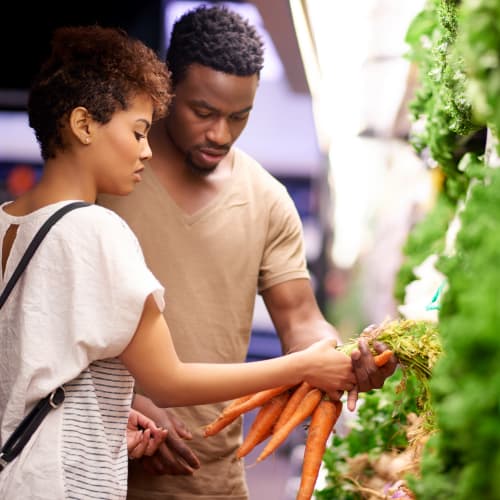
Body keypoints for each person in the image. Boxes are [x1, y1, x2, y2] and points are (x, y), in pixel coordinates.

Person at [0, 24, 371, 500]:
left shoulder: (10, 221)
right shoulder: (98, 223)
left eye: (240, 117)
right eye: (139, 131)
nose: (221, 133)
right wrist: (300, 367)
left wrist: (107, 409)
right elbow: (168, 381)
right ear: (84, 124)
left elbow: (36, 362)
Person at [98, 5, 397, 500]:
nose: (221, 134)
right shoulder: (109, 178)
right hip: (101, 472)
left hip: (214, 480)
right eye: (203, 112)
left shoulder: (268, 198)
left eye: (240, 117)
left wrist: (343, 357)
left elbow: (301, 320)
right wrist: (123, 401)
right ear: (166, 88)